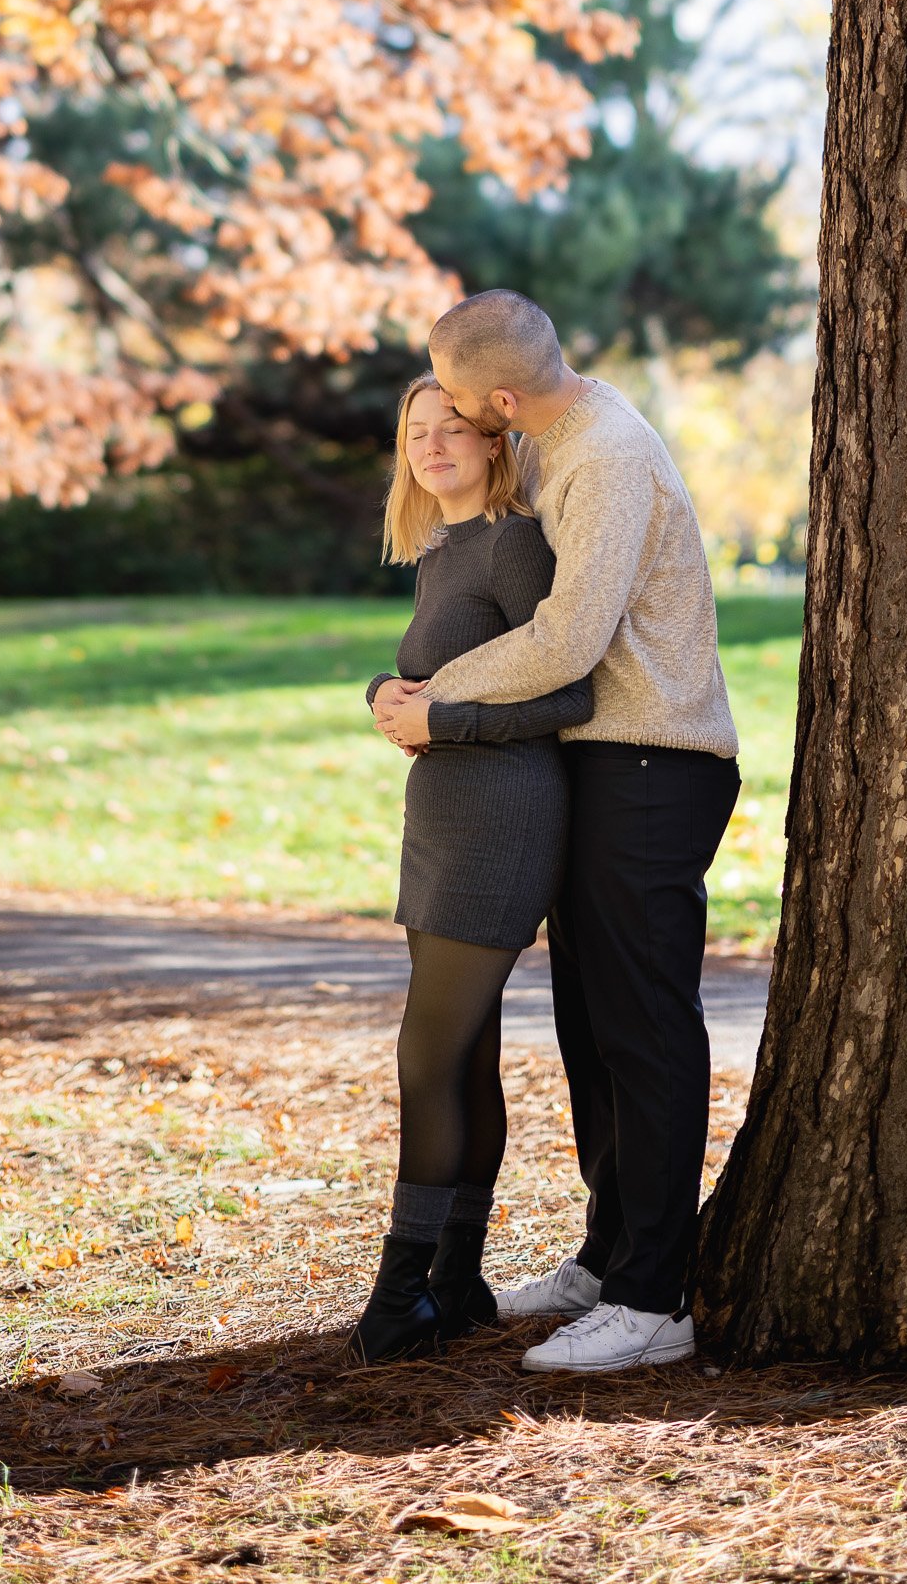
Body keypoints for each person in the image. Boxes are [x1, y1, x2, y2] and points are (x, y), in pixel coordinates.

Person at [372, 288, 739, 1374]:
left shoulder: (606, 453)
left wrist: (436, 698)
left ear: (497, 395)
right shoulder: (562, 436)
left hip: (654, 761)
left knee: (644, 1025)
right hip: (595, 764)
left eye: (459, 403)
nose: (452, 427)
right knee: (589, 1021)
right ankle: (606, 1249)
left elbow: (570, 635)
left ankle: (654, 1293)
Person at [346, 372, 595, 1365]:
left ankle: (398, 1291)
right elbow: (436, 668)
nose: (434, 442)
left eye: (454, 426)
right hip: (441, 820)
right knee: (464, 1054)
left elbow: (570, 686)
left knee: (428, 1057)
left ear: (495, 440)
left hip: (503, 818)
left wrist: (447, 718)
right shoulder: (444, 549)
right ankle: (458, 1278)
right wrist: (384, 688)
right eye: (417, 429)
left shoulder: (516, 541)